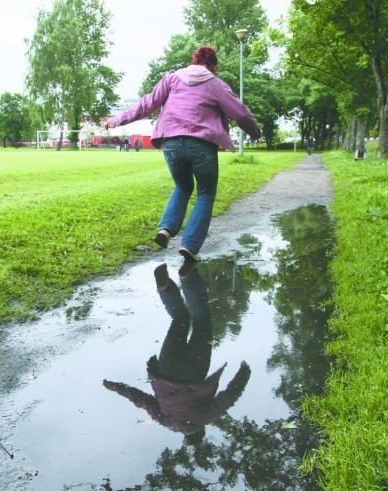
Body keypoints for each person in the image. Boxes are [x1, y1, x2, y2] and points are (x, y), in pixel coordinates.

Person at [104, 46, 261, 269]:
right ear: (214, 66)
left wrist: (117, 119)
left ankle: (165, 229)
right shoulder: (216, 84)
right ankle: (191, 246)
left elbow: (146, 104)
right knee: (206, 192)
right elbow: (241, 113)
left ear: (193, 61)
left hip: (171, 143)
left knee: (182, 185)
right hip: (201, 144)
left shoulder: (171, 79)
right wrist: (255, 133)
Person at [103, 263, 251, 443]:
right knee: (179, 319)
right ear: (184, 435)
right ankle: (165, 289)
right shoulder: (165, 421)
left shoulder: (203, 419)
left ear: (200, 432)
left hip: (195, 370)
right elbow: (140, 400)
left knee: (202, 321)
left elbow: (228, 397)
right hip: (166, 368)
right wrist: (115, 387)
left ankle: (188, 277)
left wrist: (244, 373)